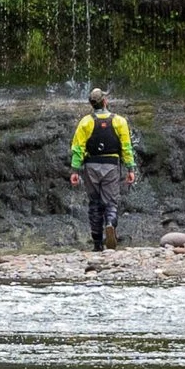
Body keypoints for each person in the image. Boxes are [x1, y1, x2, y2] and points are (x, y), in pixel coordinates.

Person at [68, 88, 135, 251]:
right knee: (111, 202)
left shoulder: (85, 122)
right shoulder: (119, 121)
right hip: (111, 165)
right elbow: (126, 146)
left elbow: (77, 148)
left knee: (95, 203)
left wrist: (75, 170)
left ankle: (97, 243)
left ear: (92, 104)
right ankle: (111, 224)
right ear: (105, 102)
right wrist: (130, 168)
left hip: (91, 165)